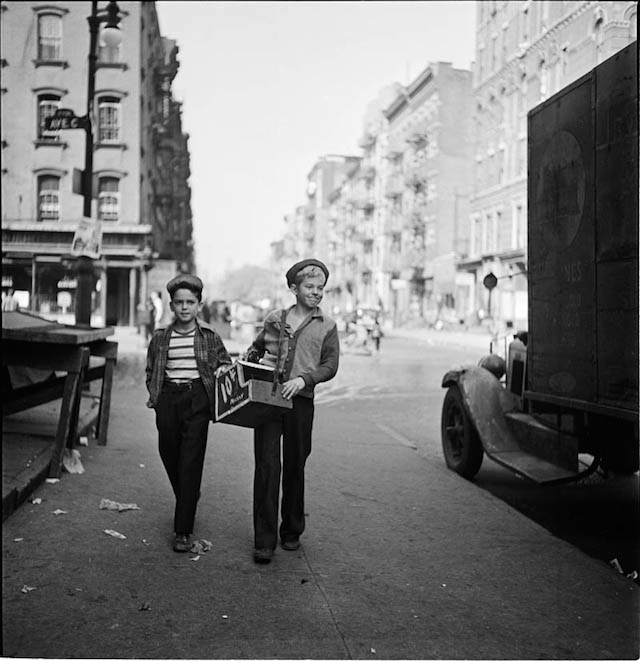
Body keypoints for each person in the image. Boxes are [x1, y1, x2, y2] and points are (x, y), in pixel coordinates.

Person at [244, 258, 339, 564]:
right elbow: (257, 348)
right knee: (267, 467)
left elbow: (330, 365)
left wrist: (304, 379)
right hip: (269, 400)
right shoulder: (274, 319)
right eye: (310, 287)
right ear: (293, 288)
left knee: (296, 465)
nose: (316, 292)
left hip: (301, 402)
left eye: (320, 287)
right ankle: (264, 540)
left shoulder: (328, 326)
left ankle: (292, 531)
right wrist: (254, 360)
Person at [145, 274, 232, 552]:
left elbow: (226, 364)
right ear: (171, 306)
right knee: (168, 452)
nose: (185, 307)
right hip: (168, 399)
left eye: (190, 302)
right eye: (179, 302)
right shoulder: (160, 338)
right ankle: (189, 494)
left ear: (199, 305)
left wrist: (220, 371)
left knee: (191, 461)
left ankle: (182, 530)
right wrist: (157, 395)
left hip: (197, 400)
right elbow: (151, 370)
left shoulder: (208, 335)